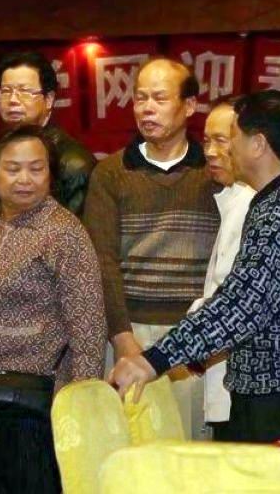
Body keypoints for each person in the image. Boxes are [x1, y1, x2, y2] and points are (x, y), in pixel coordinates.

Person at [110, 89, 280, 443]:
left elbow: (241, 306)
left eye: (234, 137)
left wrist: (153, 359)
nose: (227, 149)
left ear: (258, 144)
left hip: (273, 400)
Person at [0, 125, 106, 493]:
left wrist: (80, 407)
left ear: (51, 174)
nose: (25, 179)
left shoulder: (63, 232)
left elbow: (89, 327)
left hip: (38, 407)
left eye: (36, 168)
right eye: (13, 169)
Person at [83, 57, 220, 438]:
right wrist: (122, 338)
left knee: (189, 450)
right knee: (133, 447)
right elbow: (102, 260)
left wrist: (203, 333)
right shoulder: (111, 173)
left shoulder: (214, 172)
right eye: (140, 98)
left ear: (189, 106)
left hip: (194, 333)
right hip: (131, 330)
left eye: (159, 98)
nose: (147, 108)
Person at [190, 100, 256, 440]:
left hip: (245, 385)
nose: (211, 152)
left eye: (222, 140)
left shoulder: (252, 205)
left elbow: (229, 301)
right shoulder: (234, 198)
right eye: (206, 141)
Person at [0, 50, 95, 216]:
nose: (13, 100)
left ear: (48, 99)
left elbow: (76, 229)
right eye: (6, 91)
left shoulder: (74, 163)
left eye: (24, 91)